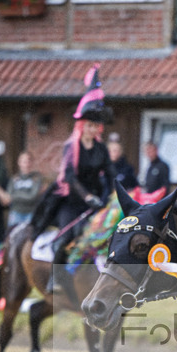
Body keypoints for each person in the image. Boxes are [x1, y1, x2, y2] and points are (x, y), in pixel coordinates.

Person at [30, 65, 114, 293]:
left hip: (96, 201)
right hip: (71, 201)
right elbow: (69, 177)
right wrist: (87, 197)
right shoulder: (71, 147)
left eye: (95, 125)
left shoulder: (101, 149)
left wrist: (109, 197)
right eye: (88, 124)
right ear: (81, 125)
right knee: (66, 236)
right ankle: (54, 280)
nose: (91, 128)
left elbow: (110, 174)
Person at [6, 151, 45, 229]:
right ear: (19, 162)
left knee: (29, 238)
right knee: (12, 237)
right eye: (24, 162)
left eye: (28, 161)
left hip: (31, 213)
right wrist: (25, 194)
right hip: (15, 212)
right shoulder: (14, 178)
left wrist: (16, 194)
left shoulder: (37, 177)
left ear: (31, 163)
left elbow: (32, 196)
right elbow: (9, 196)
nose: (26, 164)